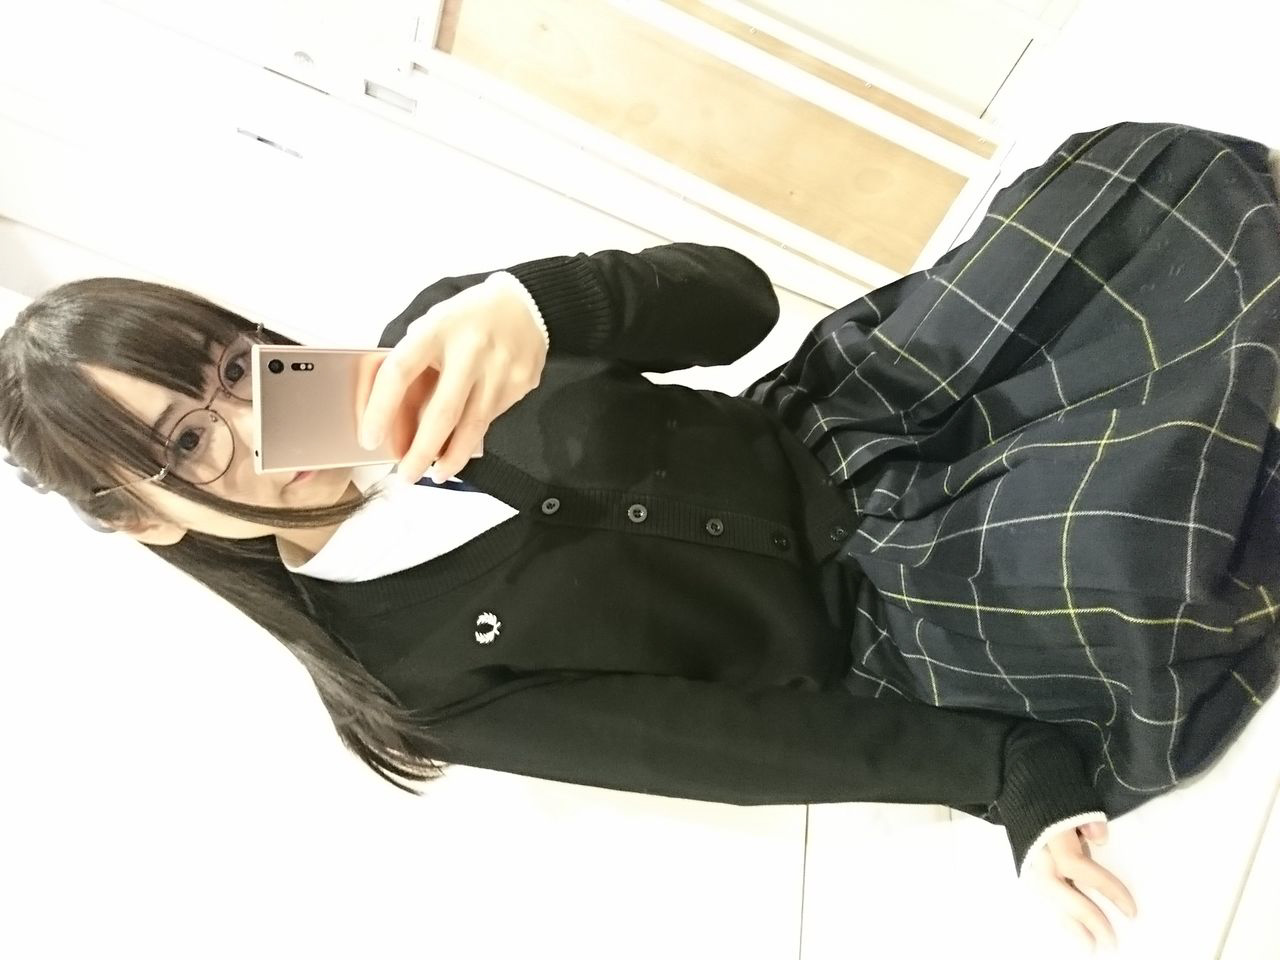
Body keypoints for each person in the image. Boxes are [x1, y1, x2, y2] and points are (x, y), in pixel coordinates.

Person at [6, 120, 1276, 949]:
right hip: (896, 612)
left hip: (862, 414)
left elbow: (739, 302)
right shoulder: (409, 673)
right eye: (189, 444)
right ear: (140, 518)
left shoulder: (443, 337)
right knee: (1141, 539)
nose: (249, 421)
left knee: (1136, 182)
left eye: (233, 367)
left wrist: (539, 306)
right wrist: (1009, 776)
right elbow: (730, 748)